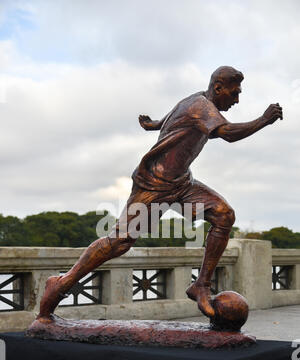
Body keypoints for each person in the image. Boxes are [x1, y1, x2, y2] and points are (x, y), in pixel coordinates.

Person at [38, 66, 283, 322]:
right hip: (154, 184)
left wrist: (153, 124)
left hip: (182, 183)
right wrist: (263, 120)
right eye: (234, 93)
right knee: (120, 242)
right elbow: (228, 134)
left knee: (224, 215)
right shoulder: (201, 106)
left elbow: (172, 116)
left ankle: (201, 284)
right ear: (219, 88)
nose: (236, 100)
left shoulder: (196, 100)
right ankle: (61, 284)